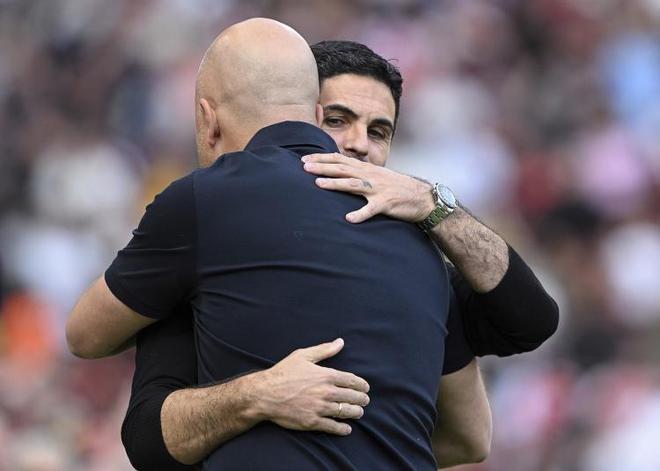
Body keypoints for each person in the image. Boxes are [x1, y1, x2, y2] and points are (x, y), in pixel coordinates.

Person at [66, 21, 558, 470]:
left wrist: (434, 203)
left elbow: (505, 369)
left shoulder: (420, 248)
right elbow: (147, 436)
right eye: (338, 121)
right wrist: (258, 399)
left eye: (379, 131)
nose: (358, 144)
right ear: (302, 112)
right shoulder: (213, 226)